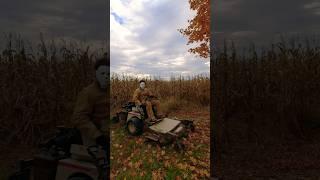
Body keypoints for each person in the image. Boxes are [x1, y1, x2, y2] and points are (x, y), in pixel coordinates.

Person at [71, 56, 109, 153]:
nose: (106, 76)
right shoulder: (88, 93)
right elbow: (79, 118)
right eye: (102, 73)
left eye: (108, 74)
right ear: (96, 74)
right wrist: (98, 136)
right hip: (93, 134)